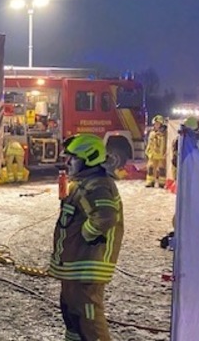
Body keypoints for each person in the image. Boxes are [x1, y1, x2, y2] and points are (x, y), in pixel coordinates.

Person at [49, 133, 124, 341]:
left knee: (88, 319)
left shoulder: (98, 185)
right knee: (73, 315)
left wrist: (87, 235)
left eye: (73, 158)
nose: (68, 162)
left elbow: (106, 217)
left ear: (89, 158)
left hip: (87, 265)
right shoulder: (85, 182)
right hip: (77, 265)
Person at [145, 115, 168, 188]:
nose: (156, 125)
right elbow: (149, 143)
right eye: (155, 124)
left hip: (162, 155)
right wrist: (148, 151)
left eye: (157, 124)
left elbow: (166, 144)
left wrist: (165, 153)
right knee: (150, 168)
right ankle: (150, 182)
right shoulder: (152, 133)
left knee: (162, 169)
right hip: (153, 154)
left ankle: (162, 183)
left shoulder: (165, 134)